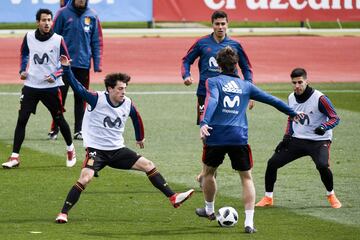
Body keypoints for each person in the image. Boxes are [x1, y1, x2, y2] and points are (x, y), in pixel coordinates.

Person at [55, 55, 194, 223]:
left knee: (148, 165)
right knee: (85, 178)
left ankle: (173, 197)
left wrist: (139, 137)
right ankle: (63, 213)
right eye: (120, 89)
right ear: (110, 89)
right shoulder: (96, 98)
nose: (123, 92)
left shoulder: (127, 102)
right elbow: (77, 88)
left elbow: (136, 117)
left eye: (125, 88)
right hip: (96, 151)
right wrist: (66, 68)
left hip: (117, 150)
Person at [195, 47, 303, 234]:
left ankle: (210, 209)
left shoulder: (213, 81)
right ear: (236, 65)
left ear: (219, 66)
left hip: (216, 135)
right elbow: (271, 100)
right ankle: (249, 223)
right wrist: (292, 113)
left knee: (208, 173)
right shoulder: (246, 86)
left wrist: (204, 122)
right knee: (246, 178)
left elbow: (213, 101)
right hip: (238, 136)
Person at [181, 10, 254, 186]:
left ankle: (206, 174)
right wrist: (186, 76)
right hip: (205, 95)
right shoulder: (202, 43)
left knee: (227, 130)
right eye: (217, 24)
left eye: (223, 24)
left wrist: (250, 91)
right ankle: (208, 171)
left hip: (230, 94)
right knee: (206, 133)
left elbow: (247, 68)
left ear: (227, 24)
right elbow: (186, 60)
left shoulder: (235, 45)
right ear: (212, 25)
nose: (220, 27)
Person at [256, 68, 342, 209]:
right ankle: (268, 198)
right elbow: (291, 119)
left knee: (322, 165)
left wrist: (324, 127)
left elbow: (335, 118)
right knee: (272, 163)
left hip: (319, 141)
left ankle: (331, 195)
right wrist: (286, 138)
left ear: (306, 81)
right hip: (297, 140)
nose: (297, 86)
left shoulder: (320, 98)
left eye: (300, 82)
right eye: (294, 83)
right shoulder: (291, 97)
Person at [2, 9, 76, 169]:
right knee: (22, 119)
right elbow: (24, 53)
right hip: (31, 86)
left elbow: (66, 61)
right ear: (38, 22)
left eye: (49, 20)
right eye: (44, 20)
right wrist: (22, 70)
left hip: (51, 87)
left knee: (59, 119)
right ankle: (14, 157)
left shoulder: (58, 40)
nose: (47, 23)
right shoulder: (28, 37)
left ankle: (70, 149)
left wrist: (55, 75)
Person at [48, 0, 103, 141]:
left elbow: (96, 41)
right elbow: (53, 38)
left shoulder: (92, 15)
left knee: (81, 98)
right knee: (60, 98)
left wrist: (97, 63)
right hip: (64, 65)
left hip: (83, 64)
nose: (81, 0)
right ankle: (55, 129)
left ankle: (79, 130)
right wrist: (53, 62)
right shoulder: (63, 13)